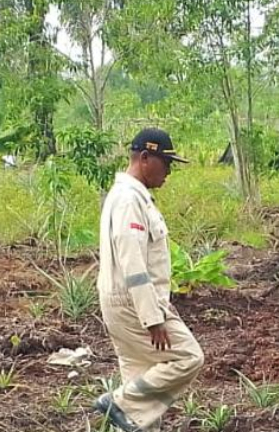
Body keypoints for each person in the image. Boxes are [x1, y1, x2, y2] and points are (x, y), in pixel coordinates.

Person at [94, 128, 204, 432]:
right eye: (165, 163)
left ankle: (126, 409)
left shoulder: (130, 197)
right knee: (189, 357)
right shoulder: (130, 199)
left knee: (142, 387)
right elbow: (133, 264)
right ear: (144, 158)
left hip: (123, 301)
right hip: (133, 303)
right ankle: (119, 403)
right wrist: (153, 317)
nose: (168, 171)